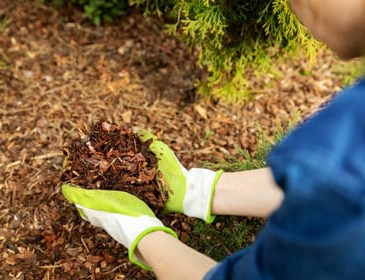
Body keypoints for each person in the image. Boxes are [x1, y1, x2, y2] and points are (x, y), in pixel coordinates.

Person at [61, 0, 365, 279]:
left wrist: (135, 230)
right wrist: (195, 189)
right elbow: (332, 189)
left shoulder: (338, 161)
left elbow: (340, 188)